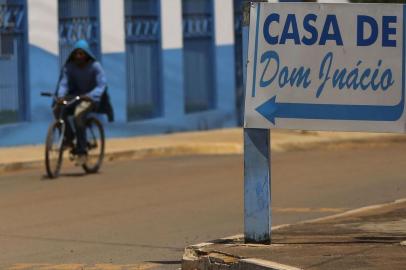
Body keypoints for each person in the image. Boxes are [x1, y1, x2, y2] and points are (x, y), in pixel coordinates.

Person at [56, 39, 108, 164]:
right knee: (58, 109)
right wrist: (61, 96)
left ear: (86, 54)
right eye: (76, 53)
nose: (78, 56)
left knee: (78, 115)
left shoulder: (95, 66)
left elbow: (102, 84)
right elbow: (64, 83)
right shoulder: (69, 66)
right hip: (75, 96)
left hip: (90, 98)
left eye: (81, 54)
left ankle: (82, 151)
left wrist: (91, 95)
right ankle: (69, 138)